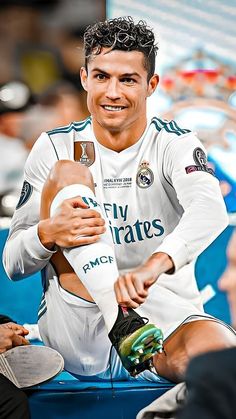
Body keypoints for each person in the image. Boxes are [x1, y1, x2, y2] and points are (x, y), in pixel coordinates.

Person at [3, 16, 236, 383]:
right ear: (84, 78)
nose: (112, 92)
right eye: (101, 77)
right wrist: (47, 233)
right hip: (79, 325)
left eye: (127, 79)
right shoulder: (54, 145)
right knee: (70, 172)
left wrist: (154, 265)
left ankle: (159, 375)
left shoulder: (174, 143)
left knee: (218, 353)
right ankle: (120, 321)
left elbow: (210, 209)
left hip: (160, 319)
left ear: (151, 85)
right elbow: (13, 264)